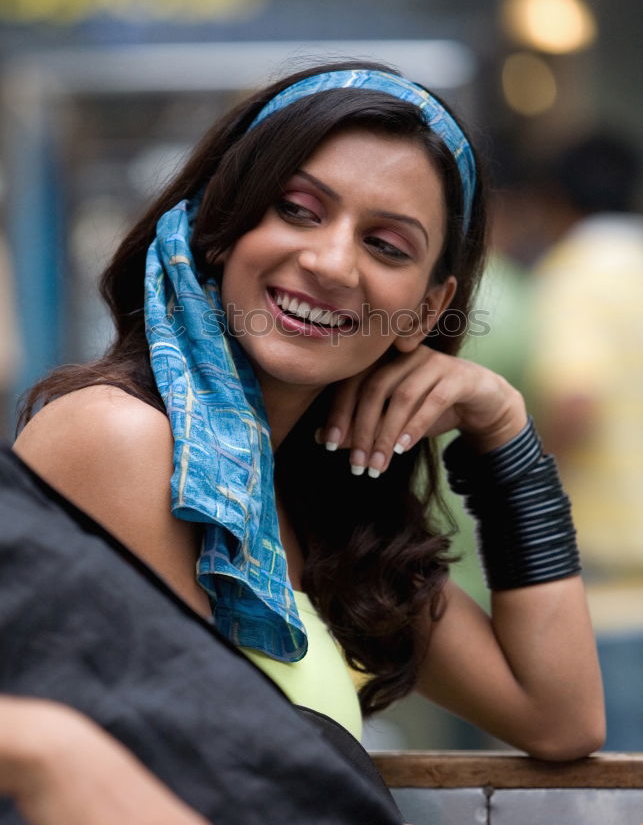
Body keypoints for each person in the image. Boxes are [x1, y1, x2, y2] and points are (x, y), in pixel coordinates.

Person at [4, 62, 604, 822]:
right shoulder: (122, 439)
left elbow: (558, 716)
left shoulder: (322, 510)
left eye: (387, 246)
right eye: (296, 210)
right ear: (218, 224)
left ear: (427, 310)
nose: (329, 263)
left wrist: (503, 435)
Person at [526, 132, 643, 750]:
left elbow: (577, 399)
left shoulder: (575, 272)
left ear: (556, 201)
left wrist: (523, 474)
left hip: (610, 592)